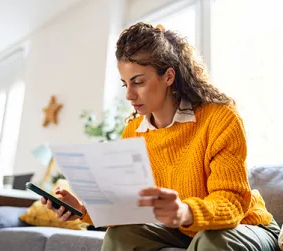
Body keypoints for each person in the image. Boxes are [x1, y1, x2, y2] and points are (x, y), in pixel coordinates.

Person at [41, 22, 281, 251]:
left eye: (138, 82)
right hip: (182, 228)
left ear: (168, 76)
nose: (130, 95)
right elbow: (127, 208)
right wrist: (82, 209)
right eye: (125, 84)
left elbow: (232, 201)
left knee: (213, 241)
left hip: (244, 224)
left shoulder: (220, 117)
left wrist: (184, 211)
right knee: (120, 235)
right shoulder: (134, 131)